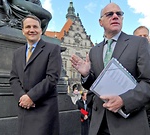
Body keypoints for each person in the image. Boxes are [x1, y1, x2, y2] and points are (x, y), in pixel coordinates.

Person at [70, 2, 150, 135]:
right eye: (109, 14)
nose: (115, 16)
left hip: (129, 124)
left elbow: (148, 82)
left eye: (119, 14)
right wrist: (86, 76)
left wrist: (124, 100)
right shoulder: (94, 50)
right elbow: (96, 86)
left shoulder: (139, 43)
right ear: (100, 22)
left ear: (122, 18)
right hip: (99, 125)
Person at [9, 15, 62, 135]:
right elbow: (13, 78)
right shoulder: (17, 53)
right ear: (23, 31)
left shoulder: (52, 49)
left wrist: (31, 97)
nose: (31, 30)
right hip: (24, 108)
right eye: (28, 27)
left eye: (35, 27)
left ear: (40, 30)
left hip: (44, 109)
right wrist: (22, 97)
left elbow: (52, 78)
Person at [133, 26, 150, 127]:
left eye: (145, 35)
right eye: (140, 36)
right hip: (140, 107)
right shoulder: (131, 57)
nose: (143, 38)